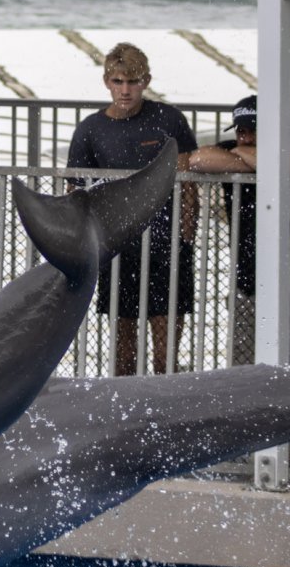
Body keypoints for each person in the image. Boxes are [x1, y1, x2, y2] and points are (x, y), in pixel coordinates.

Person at [67, 43, 199, 376]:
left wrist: (185, 238)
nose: (125, 90)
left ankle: (165, 418)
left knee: (164, 358)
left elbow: (188, 182)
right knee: (124, 358)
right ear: (106, 82)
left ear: (146, 81)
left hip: (166, 247)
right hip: (116, 247)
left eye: (133, 82)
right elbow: (75, 193)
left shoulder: (168, 118)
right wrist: (87, 246)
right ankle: (127, 419)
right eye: (118, 82)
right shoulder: (90, 129)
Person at [187, 95, 290, 364]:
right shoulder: (233, 148)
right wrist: (256, 160)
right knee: (244, 364)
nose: (245, 138)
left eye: (253, 131)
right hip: (248, 279)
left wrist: (246, 159)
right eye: (241, 132)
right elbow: (199, 159)